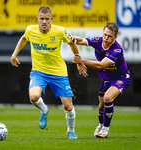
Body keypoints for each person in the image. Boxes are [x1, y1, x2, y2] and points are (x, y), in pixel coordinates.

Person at [11, 6, 87, 139]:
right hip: (39, 71)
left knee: (68, 106)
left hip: (58, 72)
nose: (44, 21)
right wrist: (14, 54)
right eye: (42, 19)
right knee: (33, 97)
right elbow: (24, 38)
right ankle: (44, 109)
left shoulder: (60, 31)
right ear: (37, 19)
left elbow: (72, 42)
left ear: (51, 19)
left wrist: (79, 61)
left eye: (47, 19)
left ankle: (71, 130)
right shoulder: (30, 30)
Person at [71, 22, 131, 138]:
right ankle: (100, 125)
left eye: (110, 36)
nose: (106, 38)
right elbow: (82, 41)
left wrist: (82, 61)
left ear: (115, 37)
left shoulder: (117, 50)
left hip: (121, 78)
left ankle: (105, 129)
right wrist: (74, 39)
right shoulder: (98, 41)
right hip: (106, 79)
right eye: (105, 35)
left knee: (108, 97)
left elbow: (101, 65)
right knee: (101, 105)